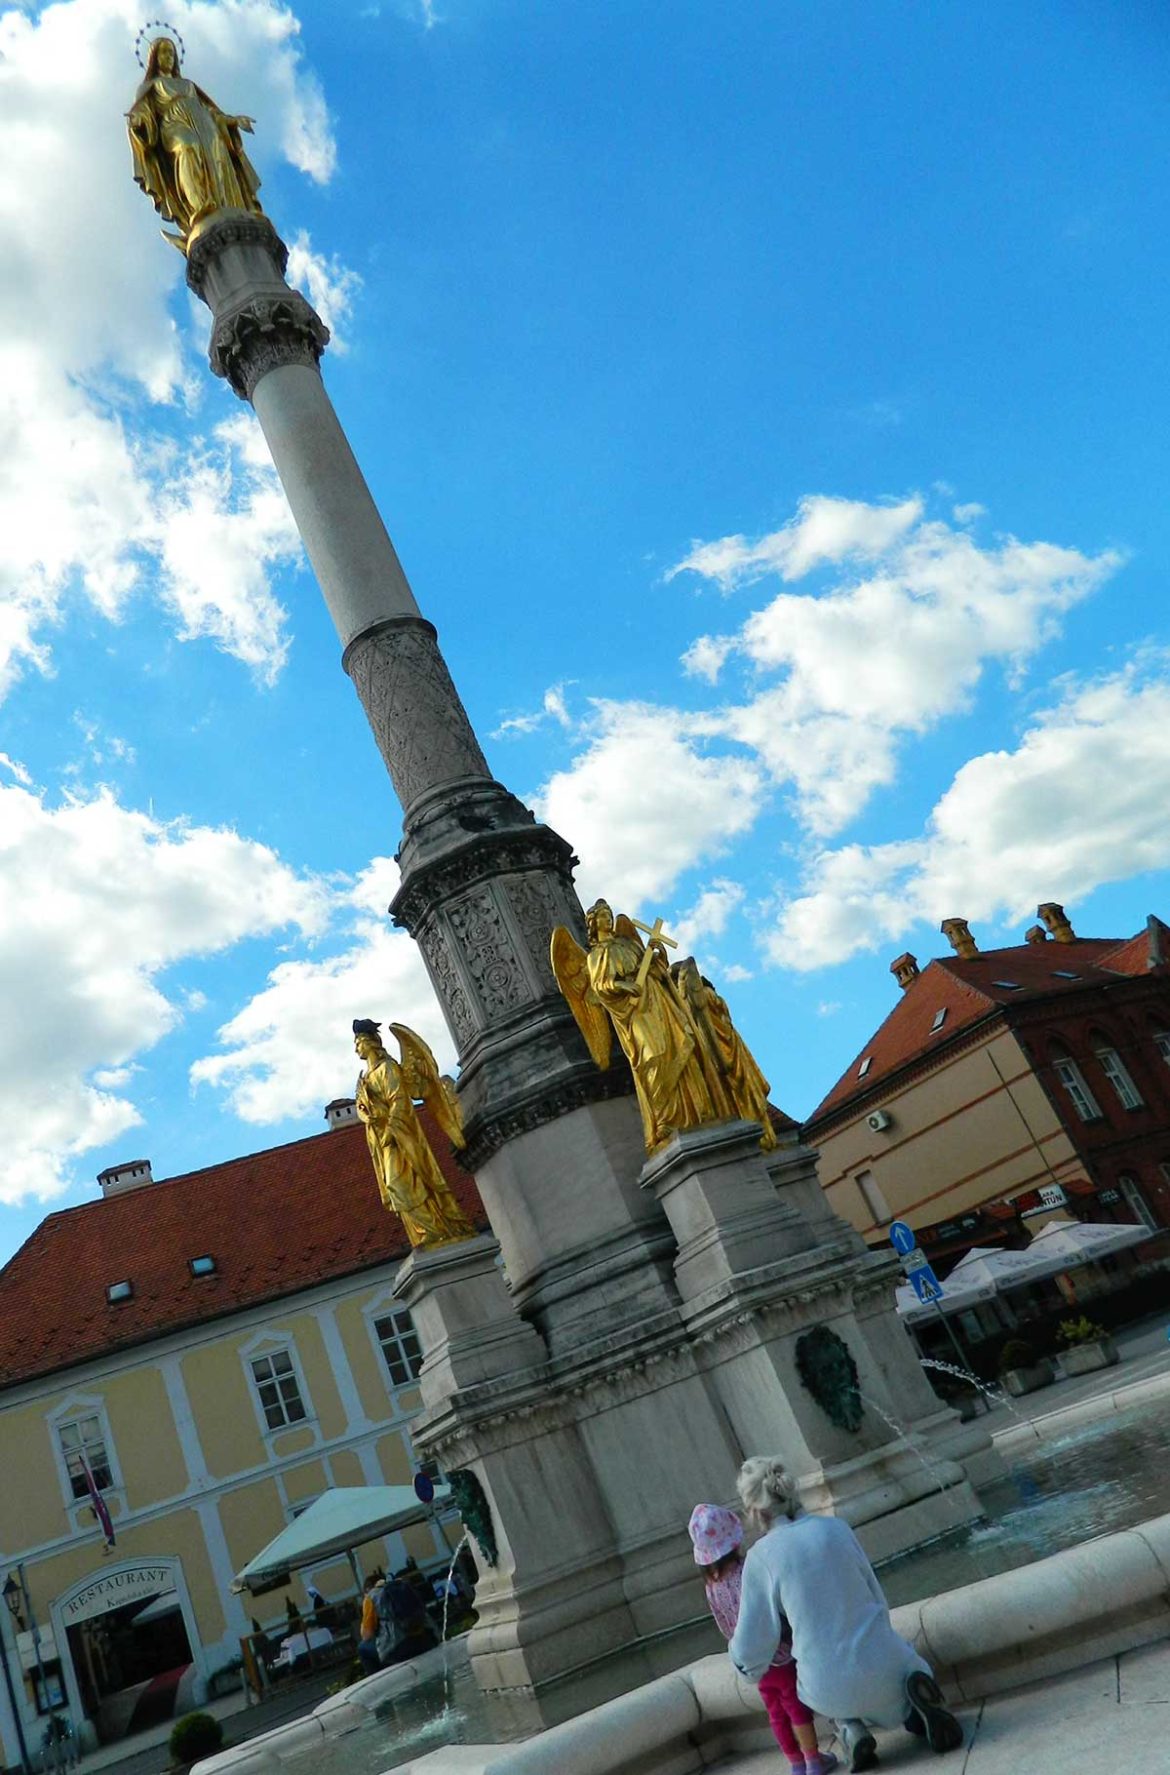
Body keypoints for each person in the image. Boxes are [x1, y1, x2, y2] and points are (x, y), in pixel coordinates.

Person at [728, 1458, 963, 1773]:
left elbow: (750, 1646)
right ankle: (914, 1714)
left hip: (827, 1687)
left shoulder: (761, 1558)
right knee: (904, 1665)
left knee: (817, 1684)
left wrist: (746, 1670)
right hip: (886, 1664)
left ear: (756, 1511)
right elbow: (877, 1596)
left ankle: (850, 1729)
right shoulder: (836, 1528)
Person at [690, 1504, 836, 1775]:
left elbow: (724, 1624)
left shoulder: (712, 1587)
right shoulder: (749, 1569)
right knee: (795, 1705)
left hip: (755, 1661)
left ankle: (796, 1764)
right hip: (780, 1652)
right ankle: (814, 1759)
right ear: (732, 1543)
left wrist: (739, 1647)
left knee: (776, 1712)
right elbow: (773, 1606)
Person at [127, 35, 262, 247]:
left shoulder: (188, 85)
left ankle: (224, 204)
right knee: (187, 147)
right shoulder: (152, 86)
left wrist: (232, 121)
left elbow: (211, 111)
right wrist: (138, 120)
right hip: (173, 122)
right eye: (163, 52)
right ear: (154, 58)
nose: (168, 57)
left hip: (203, 123)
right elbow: (144, 112)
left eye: (171, 53)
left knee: (217, 153)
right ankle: (199, 206)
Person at [357, 1573, 383, 1676]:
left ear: (368, 1589)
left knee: (363, 1647)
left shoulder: (370, 1598)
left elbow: (366, 1635)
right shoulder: (398, 1587)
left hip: (396, 1644)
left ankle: (378, 1678)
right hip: (421, 1636)